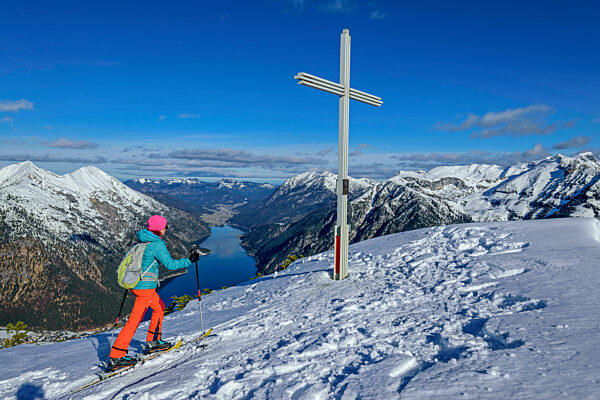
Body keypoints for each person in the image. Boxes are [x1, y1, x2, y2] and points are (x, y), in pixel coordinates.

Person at [108, 215, 200, 370]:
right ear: (159, 228)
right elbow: (170, 265)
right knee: (134, 321)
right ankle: (116, 356)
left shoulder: (142, 240)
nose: (166, 229)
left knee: (159, 307)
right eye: (165, 227)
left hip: (137, 285)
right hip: (145, 289)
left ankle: (153, 341)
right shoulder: (157, 245)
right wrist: (189, 260)